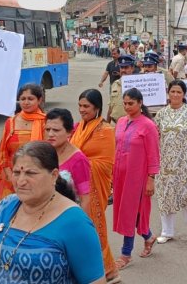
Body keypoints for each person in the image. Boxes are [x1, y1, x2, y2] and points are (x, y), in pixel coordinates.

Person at [0, 141, 107, 283]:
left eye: (30, 173)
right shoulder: (6, 205)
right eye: (17, 173)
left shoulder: (75, 222)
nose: (21, 181)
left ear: (53, 175)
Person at [71, 89, 120, 283]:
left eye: (86, 106)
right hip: (77, 187)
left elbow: (106, 163)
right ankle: (101, 269)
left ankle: (107, 270)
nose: (82, 110)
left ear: (97, 108)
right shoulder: (80, 126)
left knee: (94, 226)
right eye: (80, 105)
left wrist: (77, 163)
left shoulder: (105, 130)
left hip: (94, 186)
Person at [153, 80, 187, 244]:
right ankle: (167, 231)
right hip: (165, 163)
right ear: (168, 93)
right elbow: (154, 138)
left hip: (185, 163)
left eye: (179, 92)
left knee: (184, 195)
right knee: (165, 195)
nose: (175, 95)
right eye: (172, 92)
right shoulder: (161, 114)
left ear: (184, 95)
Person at [112, 88, 160, 269]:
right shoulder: (121, 121)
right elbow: (116, 149)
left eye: (130, 103)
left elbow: (154, 155)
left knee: (130, 213)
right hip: (120, 176)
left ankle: (126, 254)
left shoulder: (148, 126)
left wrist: (150, 179)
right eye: (124, 103)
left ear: (140, 103)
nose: (127, 107)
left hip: (137, 178)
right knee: (129, 211)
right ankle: (148, 236)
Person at [0, 84, 47, 202]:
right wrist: (10, 174)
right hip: (13, 176)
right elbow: (3, 152)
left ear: (39, 100)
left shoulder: (46, 122)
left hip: (37, 175)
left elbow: (50, 152)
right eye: (23, 99)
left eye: (30, 99)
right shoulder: (11, 122)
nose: (26, 102)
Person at [45, 108, 92, 213]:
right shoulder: (44, 153)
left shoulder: (78, 160)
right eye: (48, 129)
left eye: (56, 130)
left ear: (69, 132)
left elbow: (85, 199)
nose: (50, 134)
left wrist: (80, 226)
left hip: (67, 215)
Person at [107, 55, 136, 123]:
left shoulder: (138, 85)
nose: (123, 70)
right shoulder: (115, 84)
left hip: (132, 125)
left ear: (132, 68)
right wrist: (107, 123)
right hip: (115, 124)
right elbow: (111, 106)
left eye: (126, 67)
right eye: (121, 67)